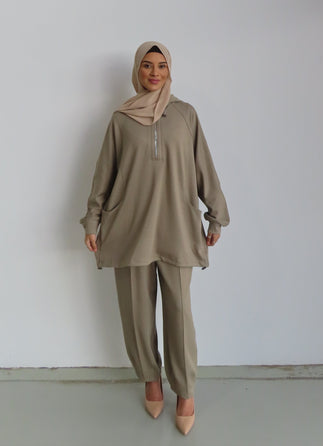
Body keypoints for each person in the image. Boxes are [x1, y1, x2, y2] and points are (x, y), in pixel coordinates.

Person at [79, 41, 230, 435]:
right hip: (130, 229)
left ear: (169, 71)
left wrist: (216, 216)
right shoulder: (121, 120)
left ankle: (185, 390)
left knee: (179, 314)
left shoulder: (185, 115)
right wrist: (92, 220)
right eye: (147, 65)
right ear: (137, 70)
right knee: (137, 313)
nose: (154, 73)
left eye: (161, 66)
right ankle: (150, 378)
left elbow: (204, 168)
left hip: (176, 227)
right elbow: (104, 174)